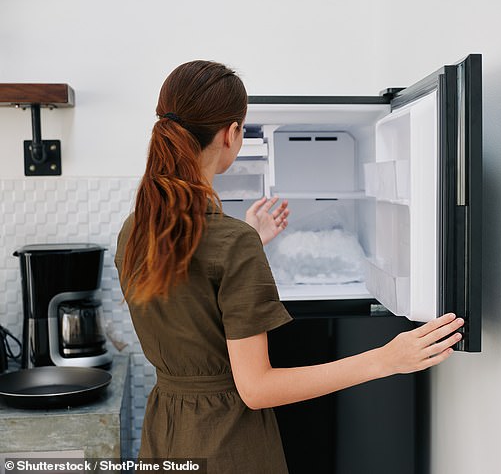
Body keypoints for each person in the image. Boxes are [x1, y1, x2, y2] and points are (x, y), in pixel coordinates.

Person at [114, 60, 464, 474]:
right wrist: (386, 359)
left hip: (166, 435)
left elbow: (192, 289)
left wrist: (249, 241)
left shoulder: (137, 230)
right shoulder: (230, 244)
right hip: (228, 446)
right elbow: (256, 388)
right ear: (231, 134)